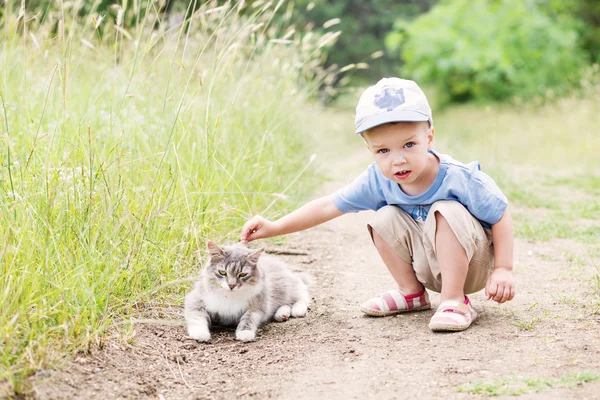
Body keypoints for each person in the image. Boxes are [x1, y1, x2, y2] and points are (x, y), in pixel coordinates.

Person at [241, 77, 515, 332]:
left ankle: (455, 300)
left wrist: (503, 269)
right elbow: (328, 206)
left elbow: (500, 214)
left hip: (472, 266)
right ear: (370, 150)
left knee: (445, 210)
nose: (398, 160)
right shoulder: (377, 180)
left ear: (429, 137)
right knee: (384, 216)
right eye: (384, 150)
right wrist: (274, 227)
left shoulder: (459, 177)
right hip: (429, 267)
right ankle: (411, 293)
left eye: (409, 144)